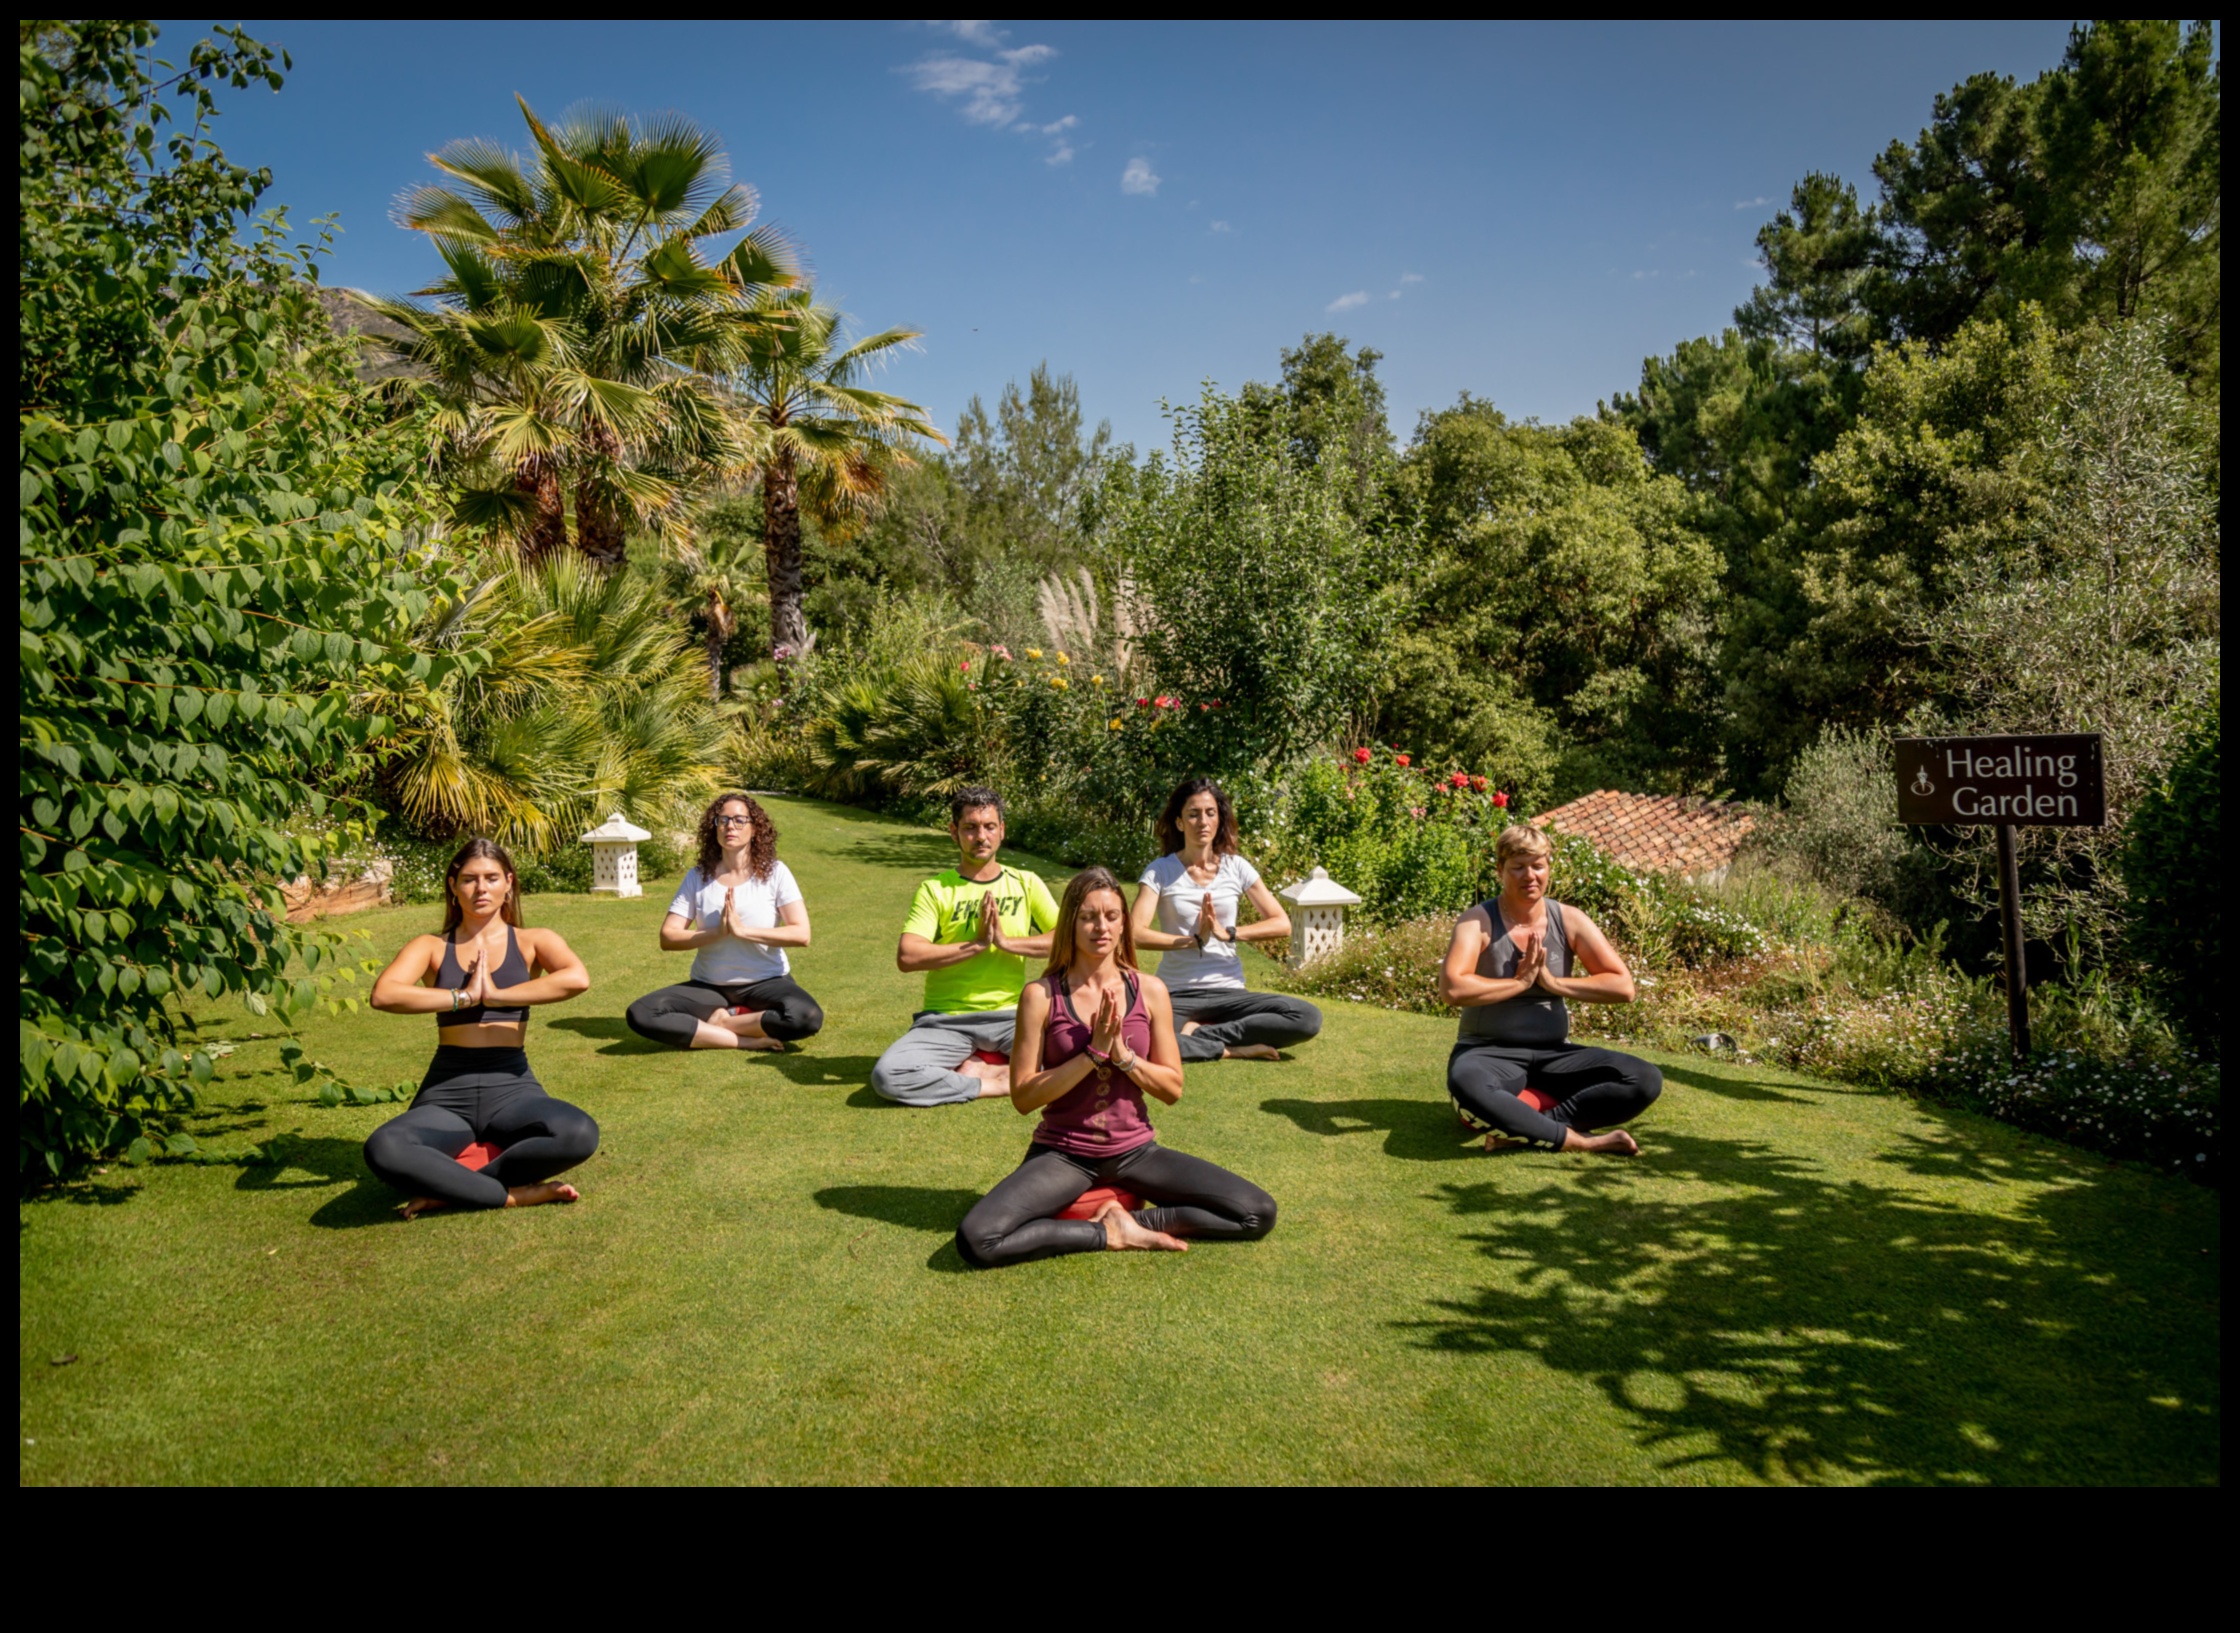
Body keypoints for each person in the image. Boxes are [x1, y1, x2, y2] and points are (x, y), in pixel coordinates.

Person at [956, 867, 1278, 1267]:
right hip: (1063, 1154)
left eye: (1111, 916)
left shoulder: (1150, 991)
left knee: (1257, 1212)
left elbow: (1171, 1089)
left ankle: (1134, 1222)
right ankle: (1105, 1233)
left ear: (1124, 923)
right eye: (1088, 916)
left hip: (1136, 1152)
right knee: (978, 1239)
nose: (1100, 927)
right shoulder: (1041, 995)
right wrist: (1092, 1054)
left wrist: (1123, 1057)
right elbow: (1023, 1097)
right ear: (1070, 923)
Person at [365, 838, 599, 1217]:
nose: (481, 889)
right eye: (470, 879)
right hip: (446, 1091)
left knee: (579, 1134)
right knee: (385, 1147)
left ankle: (452, 1188)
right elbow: (384, 994)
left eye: (491, 878)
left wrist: (498, 996)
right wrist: (464, 998)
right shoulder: (431, 947)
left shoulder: (532, 940)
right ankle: (511, 1194)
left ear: (509, 883)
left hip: (512, 1087)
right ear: (453, 886)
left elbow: (576, 978)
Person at [1439, 823, 1662, 1156]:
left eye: (1538, 866)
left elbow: (1623, 985)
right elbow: (1452, 988)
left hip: (1554, 1055)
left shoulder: (1569, 919)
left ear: (1549, 868)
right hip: (1487, 1052)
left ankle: (1520, 1129)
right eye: (1518, 867)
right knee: (1468, 1085)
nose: (1530, 875)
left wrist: (1554, 984)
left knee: (1644, 1078)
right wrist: (1518, 983)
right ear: (1500, 869)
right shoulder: (1478, 921)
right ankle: (1582, 1141)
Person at [871, 787, 1060, 1105]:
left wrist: (1005, 943)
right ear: (954, 832)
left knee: (1081, 1054)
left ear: (1002, 830)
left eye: (989, 826)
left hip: (1012, 1017)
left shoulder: (1026, 883)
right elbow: (908, 955)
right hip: (946, 1020)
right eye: (970, 827)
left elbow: (1065, 941)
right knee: (888, 1076)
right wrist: (977, 945)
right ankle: (990, 1082)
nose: (980, 836)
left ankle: (978, 1066)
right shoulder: (936, 889)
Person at [1130, 776, 1322, 1062]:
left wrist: (1228, 933)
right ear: (1180, 822)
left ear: (1219, 819)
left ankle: (1200, 1036)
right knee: (1136, 1042)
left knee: (1307, 1018)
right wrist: (1191, 941)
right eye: (1193, 814)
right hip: (1177, 993)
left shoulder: (1236, 867)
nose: (1202, 821)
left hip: (1229, 992)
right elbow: (1134, 933)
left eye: (1210, 813)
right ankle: (1228, 1048)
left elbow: (1281, 923)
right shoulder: (1160, 871)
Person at [625, 792, 825, 1052]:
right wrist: (717, 933)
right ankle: (740, 1038)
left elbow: (801, 934)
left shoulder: (776, 873)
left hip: (767, 982)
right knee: (641, 1013)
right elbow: (668, 937)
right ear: (715, 828)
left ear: (755, 829)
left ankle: (724, 1021)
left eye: (740, 820)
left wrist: (743, 931)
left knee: (805, 1017)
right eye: (723, 820)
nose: (730, 826)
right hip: (710, 986)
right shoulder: (698, 877)